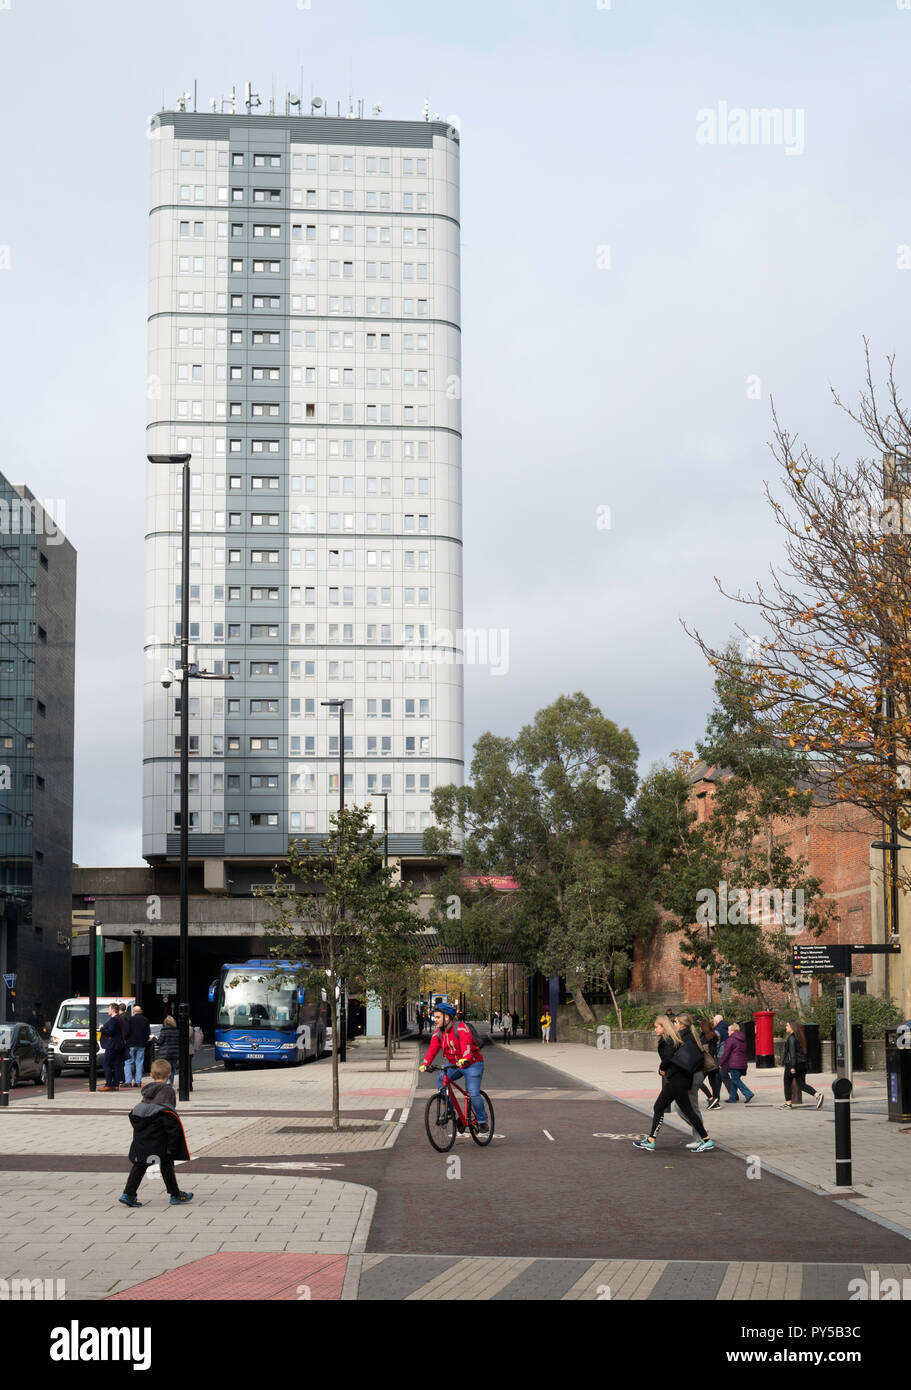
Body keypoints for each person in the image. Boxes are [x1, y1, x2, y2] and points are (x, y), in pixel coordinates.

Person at [633, 1016, 714, 1152]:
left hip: (678, 1080)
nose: (655, 1029)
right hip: (675, 1079)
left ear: (664, 1027)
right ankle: (651, 1140)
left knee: (687, 1110)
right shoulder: (672, 1038)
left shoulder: (669, 1040)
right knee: (659, 1106)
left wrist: (662, 1068)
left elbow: (668, 1058)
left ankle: (706, 1139)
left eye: (657, 1026)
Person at [119, 1058, 193, 1208]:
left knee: (139, 1165)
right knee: (166, 1165)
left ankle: (128, 1194)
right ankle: (175, 1195)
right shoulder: (167, 1094)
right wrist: (173, 1147)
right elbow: (171, 1125)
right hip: (160, 1140)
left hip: (143, 1139)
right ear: (169, 1074)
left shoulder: (146, 1095)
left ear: (151, 1075)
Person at [419, 1002, 488, 1132]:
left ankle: (482, 1120)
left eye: (438, 1017)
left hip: (472, 1063)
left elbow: (466, 1044)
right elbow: (432, 1049)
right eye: (435, 1017)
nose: (435, 1020)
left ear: (447, 1017)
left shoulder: (461, 1028)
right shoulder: (439, 1033)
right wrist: (425, 1063)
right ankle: (451, 1110)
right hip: (454, 1064)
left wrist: (465, 1057)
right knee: (441, 1080)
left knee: (473, 1093)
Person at [781, 1020, 823, 1109]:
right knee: (802, 1084)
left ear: (792, 1027)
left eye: (787, 1026)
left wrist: (792, 1067)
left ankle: (788, 1103)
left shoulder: (791, 1038)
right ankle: (817, 1095)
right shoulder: (799, 1037)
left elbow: (792, 1053)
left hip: (793, 1064)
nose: (786, 1027)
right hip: (802, 1064)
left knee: (787, 1083)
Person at [719, 1021, 755, 1103]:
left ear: (733, 1031)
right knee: (734, 1080)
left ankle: (748, 1093)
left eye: (729, 1030)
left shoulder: (730, 1040)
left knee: (735, 1080)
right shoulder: (742, 1039)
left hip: (734, 1063)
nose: (727, 1032)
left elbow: (726, 1053)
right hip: (742, 1063)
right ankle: (733, 1098)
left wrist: (720, 1063)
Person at [100, 1003, 126, 1092]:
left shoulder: (114, 1020)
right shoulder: (119, 1019)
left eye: (109, 1009)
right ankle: (115, 1084)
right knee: (116, 1065)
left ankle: (108, 1084)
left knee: (106, 1064)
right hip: (119, 1045)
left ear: (113, 1010)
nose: (108, 1010)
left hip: (112, 1045)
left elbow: (110, 1031)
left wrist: (102, 1028)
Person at [124, 1005, 151, 1087]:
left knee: (128, 1062)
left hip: (131, 1044)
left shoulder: (130, 1019)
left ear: (133, 1012)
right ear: (141, 1012)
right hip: (141, 1044)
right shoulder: (146, 1020)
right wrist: (145, 1040)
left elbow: (127, 1032)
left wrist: (126, 1040)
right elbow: (147, 1033)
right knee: (139, 1063)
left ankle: (128, 1081)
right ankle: (138, 1082)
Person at [700, 1016, 723, 1108]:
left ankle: (711, 1098)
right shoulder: (714, 1036)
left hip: (705, 1064)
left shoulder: (704, 1038)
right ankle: (716, 1101)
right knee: (713, 1083)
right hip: (713, 1063)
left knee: (697, 1081)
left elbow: (703, 1050)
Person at [156, 1014, 180, 1086]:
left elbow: (159, 1042)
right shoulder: (177, 1031)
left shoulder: (164, 1031)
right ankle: (171, 1082)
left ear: (165, 1023)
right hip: (175, 1053)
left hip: (165, 1053)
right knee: (172, 1068)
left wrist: (154, 1039)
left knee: (165, 1068)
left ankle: (166, 1082)